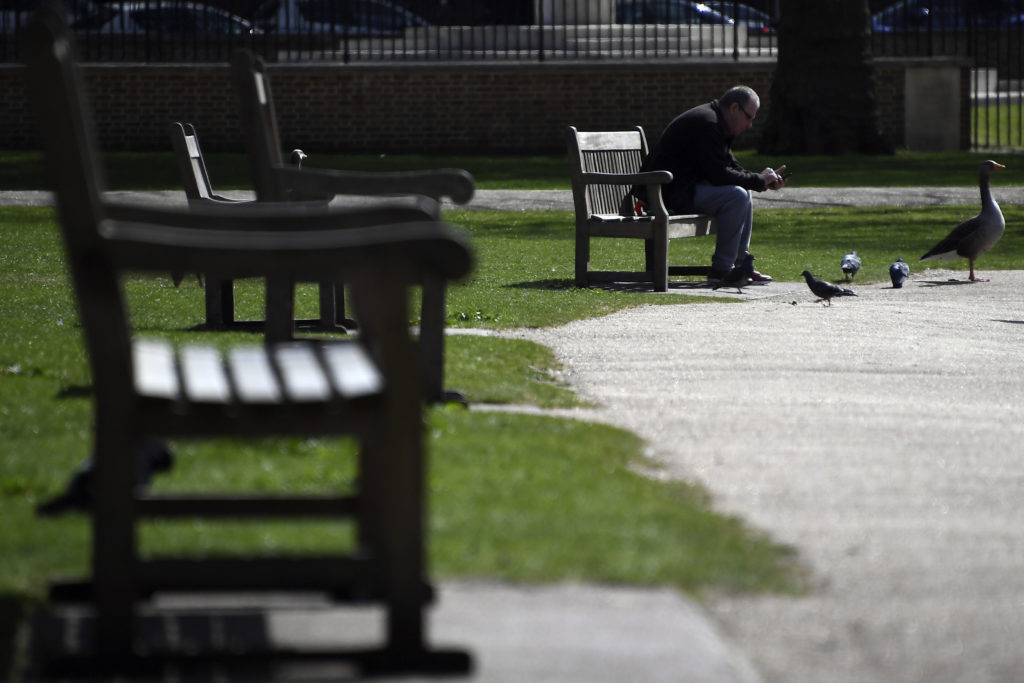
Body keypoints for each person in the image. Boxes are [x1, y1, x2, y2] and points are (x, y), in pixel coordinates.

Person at [632, 85, 786, 284]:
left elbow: (729, 166)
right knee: (737, 196)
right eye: (749, 117)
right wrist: (758, 180)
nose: (749, 125)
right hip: (664, 194)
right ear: (734, 108)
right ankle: (722, 269)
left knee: (743, 194)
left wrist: (762, 179)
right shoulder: (707, 123)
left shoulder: (716, 122)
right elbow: (719, 175)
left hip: (679, 189)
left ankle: (740, 267)